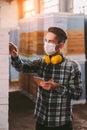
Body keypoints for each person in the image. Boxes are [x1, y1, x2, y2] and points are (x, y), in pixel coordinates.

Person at [9, 27, 82, 130]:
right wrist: (15, 56)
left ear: (61, 45)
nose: (47, 44)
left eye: (51, 41)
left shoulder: (72, 66)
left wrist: (57, 87)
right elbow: (22, 67)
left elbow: (77, 94)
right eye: (46, 40)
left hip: (61, 122)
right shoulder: (42, 62)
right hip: (41, 119)